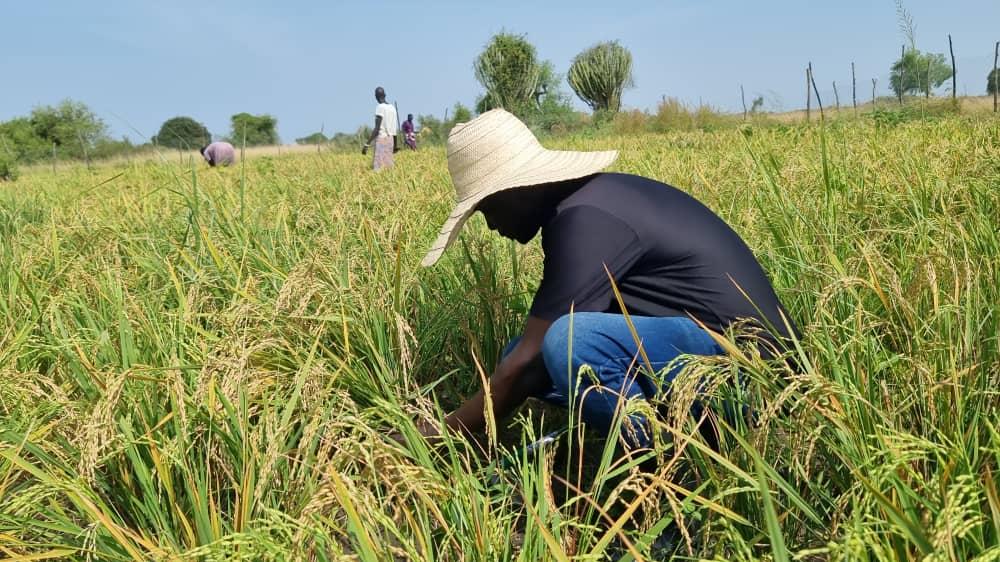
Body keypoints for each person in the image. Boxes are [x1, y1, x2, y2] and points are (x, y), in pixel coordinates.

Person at [414, 109, 799, 451]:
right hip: (720, 355)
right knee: (525, 354)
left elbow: (533, 357)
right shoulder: (591, 202)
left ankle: (658, 468)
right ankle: (672, 431)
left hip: (756, 378)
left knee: (564, 345)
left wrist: (436, 435)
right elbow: (525, 359)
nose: (493, 226)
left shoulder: (584, 221)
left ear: (513, 190)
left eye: (487, 209)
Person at [361, 87, 398, 170]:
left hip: (382, 140)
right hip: (390, 140)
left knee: (378, 168)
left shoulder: (380, 107)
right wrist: (395, 145)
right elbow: (394, 129)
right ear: (385, 95)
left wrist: (367, 144)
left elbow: (377, 129)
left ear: (376, 96)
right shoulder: (392, 108)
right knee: (388, 168)